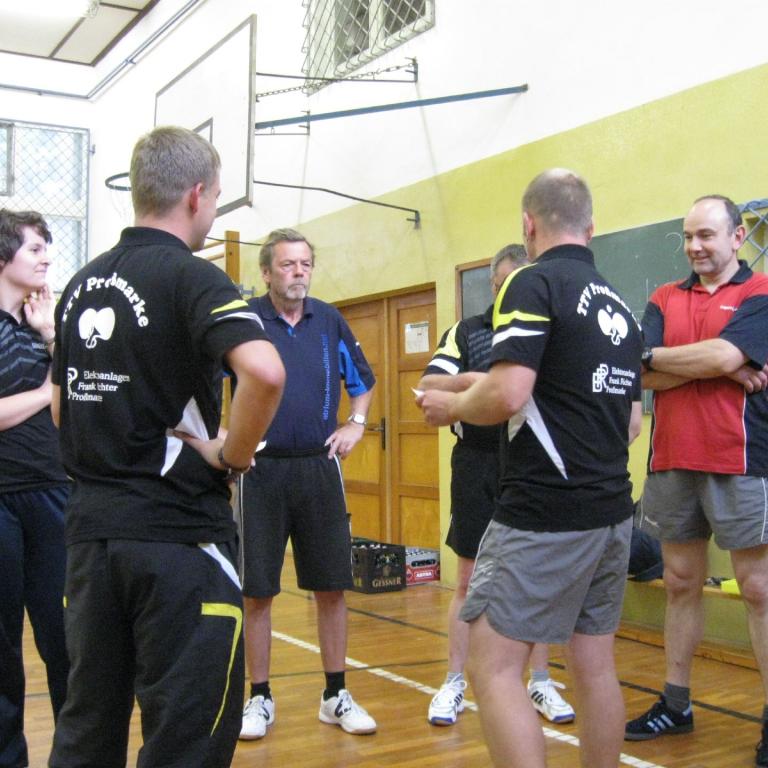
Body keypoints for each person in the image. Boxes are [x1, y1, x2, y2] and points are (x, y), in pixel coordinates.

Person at [48, 126, 285, 768]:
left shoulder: (79, 286)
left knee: (86, 727)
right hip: (177, 538)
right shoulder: (194, 278)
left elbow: (61, 408)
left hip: (91, 541)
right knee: (187, 736)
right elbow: (265, 373)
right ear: (197, 194)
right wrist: (231, 455)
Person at [418, 168, 642, 768]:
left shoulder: (530, 282)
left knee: (492, 666)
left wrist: (451, 407)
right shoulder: (618, 303)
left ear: (528, 224)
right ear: (591, 227)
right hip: (612, 512)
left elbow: (508, 392)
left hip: (545, 512)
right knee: (594, 665)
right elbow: (632, 422)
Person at [624, 195, 768, 767]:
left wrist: (701, 359)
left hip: (742, 460)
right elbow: (639, 368)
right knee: (681, 582)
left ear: (737, 237)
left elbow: (721, 355)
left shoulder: (760, 292)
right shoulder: (664, 297)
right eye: (687, 237)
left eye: (706, 235)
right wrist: (721, 365)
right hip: (672, 459)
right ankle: (676, 704)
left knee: (758, 590)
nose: (694, 247)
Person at [419, 243, 575, 727]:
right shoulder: (467, 331)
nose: (514, 291)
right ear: (493, 286)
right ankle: (454, 681)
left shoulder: (553, 328)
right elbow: (431, 383)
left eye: (522, 281)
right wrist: (481, 380)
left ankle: (541, 681)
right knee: (468, 580)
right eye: (505, 283)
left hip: (533, 466)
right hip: (478, 463)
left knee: (538, 583)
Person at [238, 227, 377, 741]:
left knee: (331, 587)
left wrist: (356, 424)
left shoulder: (329, 319)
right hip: (260, 472)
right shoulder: (246, 320)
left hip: (320, 468)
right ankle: (259, 697)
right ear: (266, 272)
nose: (298, 273)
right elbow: (213, 380)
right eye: (288, 264)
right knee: (258, 592)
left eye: (305, 264)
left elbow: (363, 381)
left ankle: (335, 694)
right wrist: (227, 438)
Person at [0, 210, 70, 768]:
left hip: (52, 492)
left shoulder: (43, 325)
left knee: (66, 638)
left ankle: (77, 754)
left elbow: (75, 399)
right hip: (2, 498)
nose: (47, 257)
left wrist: (50, 337)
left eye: (48, 247)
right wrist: (47, 390)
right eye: (35, 248)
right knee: (3, 649)